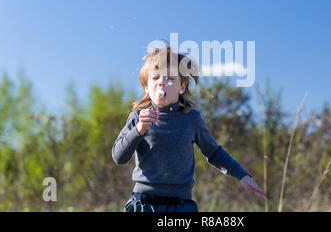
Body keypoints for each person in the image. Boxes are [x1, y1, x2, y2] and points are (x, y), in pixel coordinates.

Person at [112, 45, 266, 212]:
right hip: (143, 204)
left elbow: (213, 152)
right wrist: (139, 130)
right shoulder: (137, 117)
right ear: (146, 87)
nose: (162, 82)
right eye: (155, 77)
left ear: (182, 87)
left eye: (170, 78)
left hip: (181, 206)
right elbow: (119, 157)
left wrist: (241, 174)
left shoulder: (191, 119)